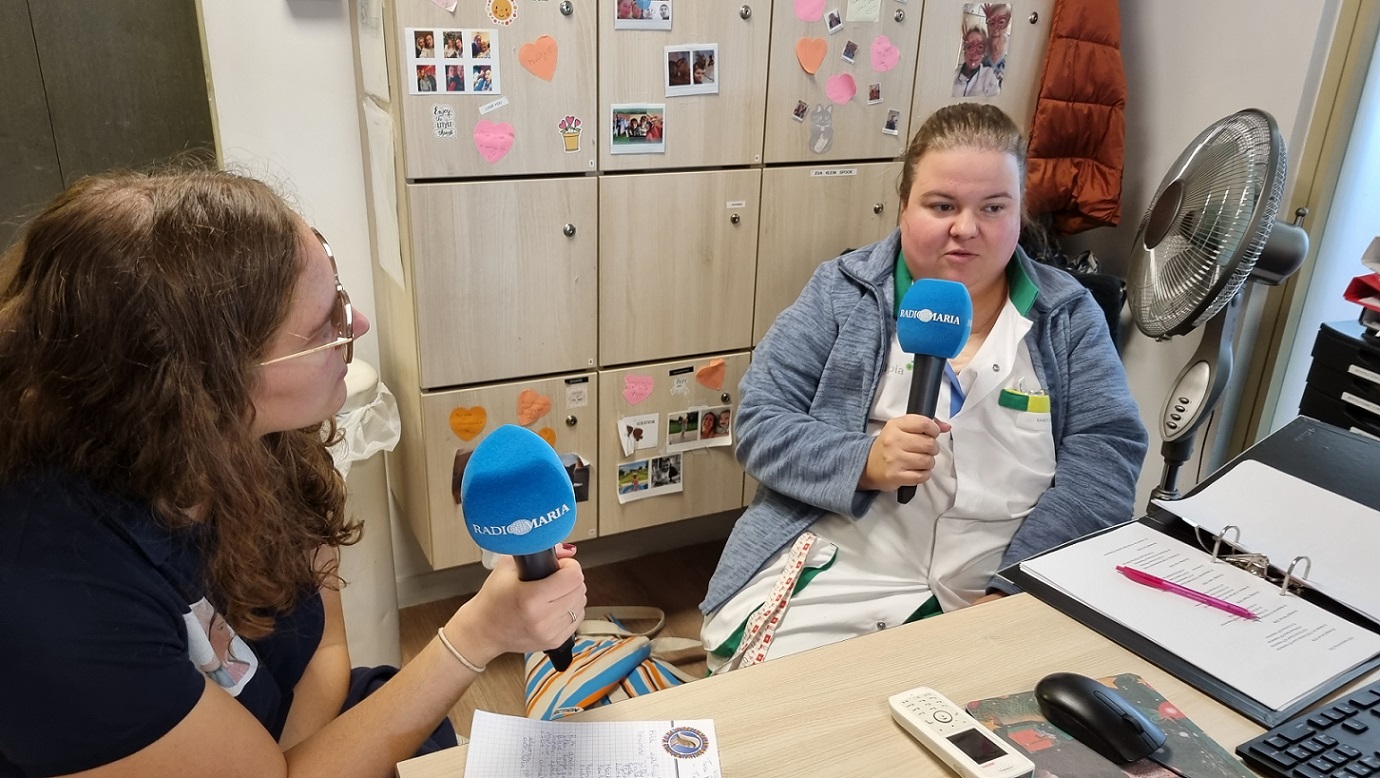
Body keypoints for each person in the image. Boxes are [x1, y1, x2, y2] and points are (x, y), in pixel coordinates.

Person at [0, 168, 587, 777]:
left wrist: (308, 757)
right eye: (324, 323)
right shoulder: (53, 601)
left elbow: (325, 649)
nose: (358, 325)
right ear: (203, 383)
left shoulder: (270, 441)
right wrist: (477, 634)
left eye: (341, 297)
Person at [700, 104, 1146, 671]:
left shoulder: (1067, 315)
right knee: (797, 709)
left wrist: (1016, 587)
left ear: (1020, 212)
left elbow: (1106, 456)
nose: (966, 228)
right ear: (904, 205)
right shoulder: (842, 293)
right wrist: (864, 461)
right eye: (942, 206)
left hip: (1000, 576)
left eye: (993, 207)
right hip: (844, 563)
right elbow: (760, 423)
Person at [953, 27, 1000, 98]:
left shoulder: (989, 76)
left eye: (980, 47)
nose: (974, 54)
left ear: (984, 51)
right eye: (969, 47)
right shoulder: (953, 76)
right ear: (964, 50)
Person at [982, 3, 1012, 85]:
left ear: (1008, 23)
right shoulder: (980, 48)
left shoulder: (1013, 47)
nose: (995, 29)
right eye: (992, 22)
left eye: (1001, 22)